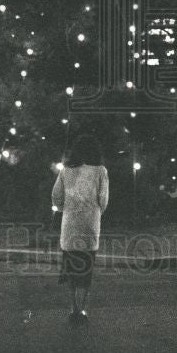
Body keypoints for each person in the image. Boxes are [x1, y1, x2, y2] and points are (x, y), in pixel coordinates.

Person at [51, 134, 109, 325]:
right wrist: (97, 211)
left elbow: (56, 196)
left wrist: (63, 209)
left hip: (70, 226)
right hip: (90, 226)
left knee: (71, 270)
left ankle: (73, 308)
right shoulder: (100, 171)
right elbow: (104, 199)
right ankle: (82, 311)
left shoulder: (66, 171)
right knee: (86, 270)